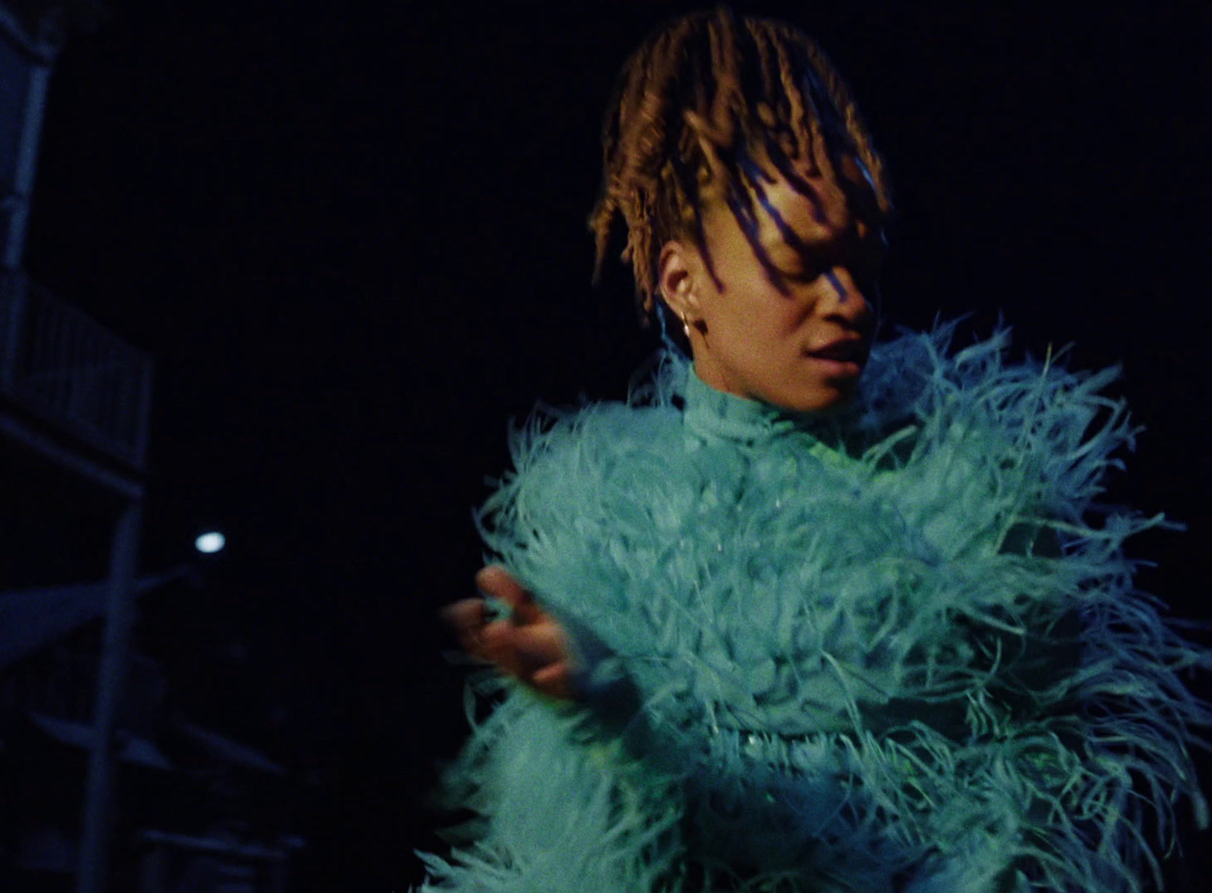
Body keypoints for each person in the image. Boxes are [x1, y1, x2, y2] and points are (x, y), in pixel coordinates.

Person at [424, 7, 1209, 893]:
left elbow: (1063, 797)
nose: (851, 301)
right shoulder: (603, 526)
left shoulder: (976, 498)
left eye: (863, 263)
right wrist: (614, 728)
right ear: (682, 283)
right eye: (800, 264)